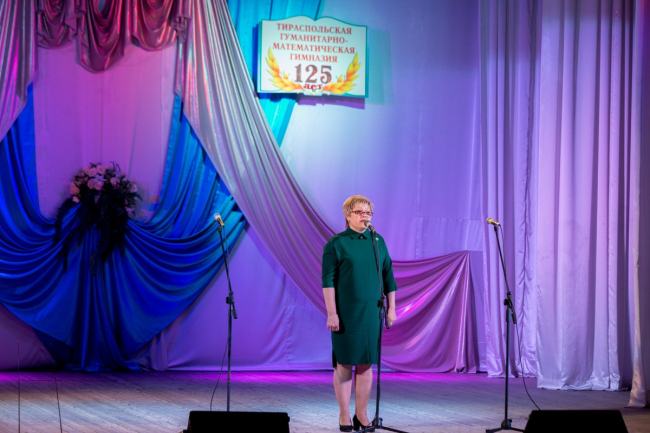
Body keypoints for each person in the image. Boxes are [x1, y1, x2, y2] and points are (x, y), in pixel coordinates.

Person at [322, 195, 398, 432]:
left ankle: (361, 415)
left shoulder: (378, 241)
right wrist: (332, 313)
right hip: (346, 313)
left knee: (366, 364)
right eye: (359, 212)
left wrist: (392, 308)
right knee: (344, 363)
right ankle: (344, 414)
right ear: (348, 215)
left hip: (371, 313)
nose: (365, 216)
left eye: (368, 212)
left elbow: (388, 277)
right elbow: (328, 281)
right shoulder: (336, 243)